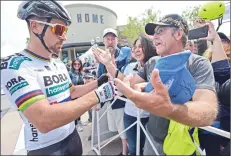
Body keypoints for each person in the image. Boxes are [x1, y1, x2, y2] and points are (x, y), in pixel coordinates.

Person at [1, 1, 115, 155]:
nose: (64, 37)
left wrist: (99, 82)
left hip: (72, 137)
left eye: (66, 31)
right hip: (46, 147)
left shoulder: (57, 62)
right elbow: (44, 120)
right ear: (35, 26)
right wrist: (99, 95)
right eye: (59, 29)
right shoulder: (15, 65)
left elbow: (72, 91)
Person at [94, 14, 218, 155]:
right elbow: (128, 82)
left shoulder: (198, 64)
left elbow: (208, 111)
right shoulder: (152, 62)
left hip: (181, 143)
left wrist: (169, 109)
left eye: (160, 32)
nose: (154, 37)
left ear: (178, 34)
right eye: (154, 33)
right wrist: (108, 64)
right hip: (152, 137)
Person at [94, 28, 129, 156]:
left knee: (124, 128)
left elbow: (128, 76)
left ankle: (125, 152)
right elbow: (100, 80)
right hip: (110, 99)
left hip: (123, 100)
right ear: (104, 41)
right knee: (117, 128)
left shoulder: (125, 55)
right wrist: (98, 100)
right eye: (107, 39)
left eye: (112, 39)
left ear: (117, 40)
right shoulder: (101, 59)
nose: (110, 41)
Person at [122, 36, 158, 155]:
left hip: (150, 117)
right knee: (133, 149)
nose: (137, 50)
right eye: (135, 47)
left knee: (148, 150)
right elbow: (124, 85)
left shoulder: (156, 64)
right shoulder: (130, 67)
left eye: (140, 46)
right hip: (130, 115)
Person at [69, 58, 85, 132]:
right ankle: (76, 125)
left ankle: (79, 122)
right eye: (75, 64)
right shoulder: (70, 73)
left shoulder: (80, 73)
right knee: (75, 110)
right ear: (72, 65)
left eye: (78, 64)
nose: (77, 65)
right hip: (74, 95)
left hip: (80, 94)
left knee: (79, 109)